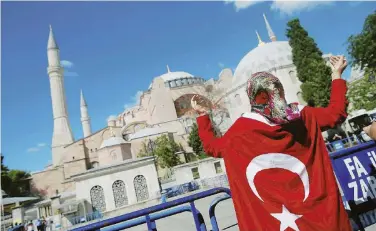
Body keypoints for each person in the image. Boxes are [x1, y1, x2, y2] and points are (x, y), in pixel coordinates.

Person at [191, 55, 352, 231]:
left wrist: (203, 116)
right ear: (280, 91)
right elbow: (336, 114)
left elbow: (212, 147)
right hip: (321, 220)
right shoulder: (303, 115)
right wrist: (336, 76)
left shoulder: (241, 131)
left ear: (253, 96)